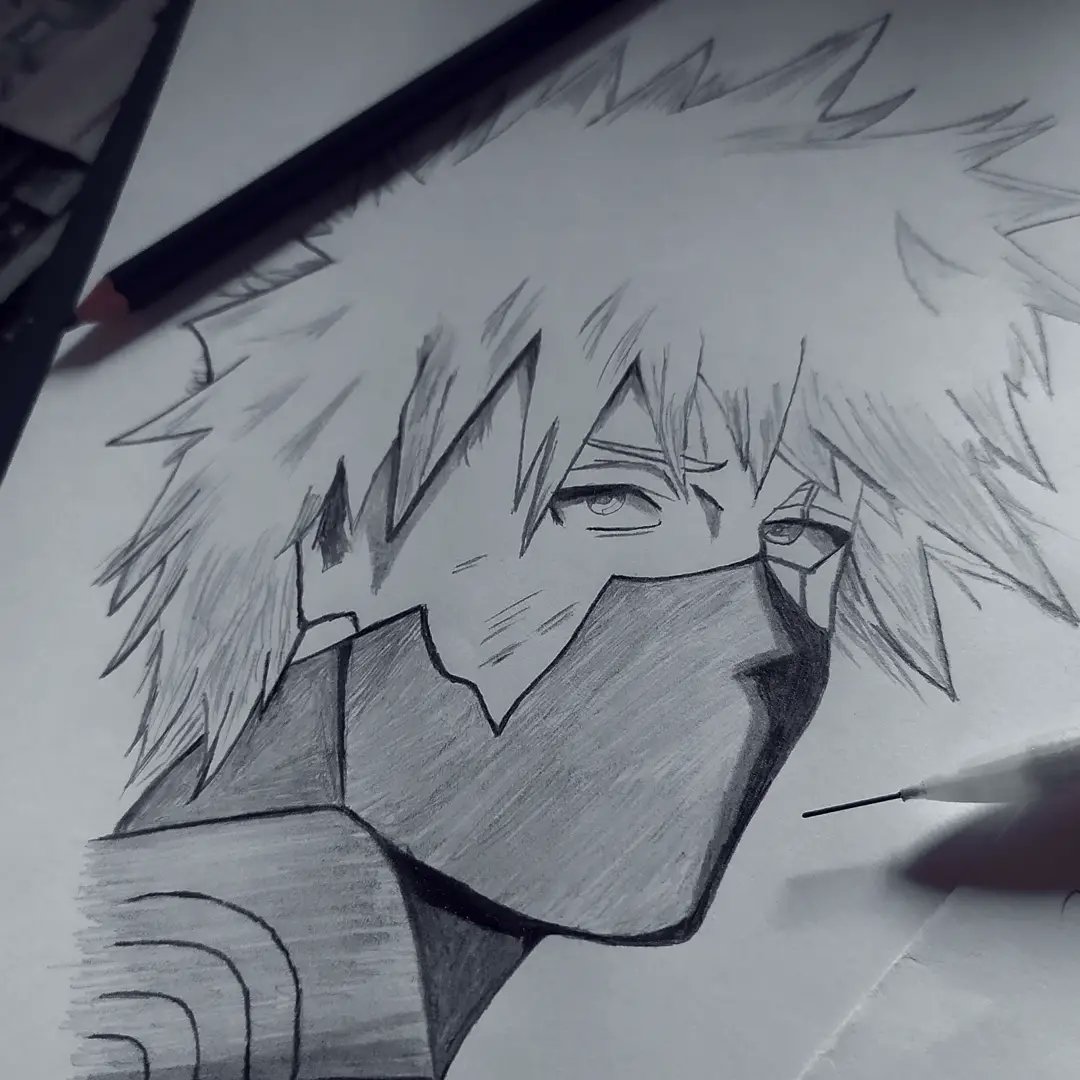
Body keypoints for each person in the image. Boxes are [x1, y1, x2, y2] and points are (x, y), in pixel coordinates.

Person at [69, 16, 1080, 1080]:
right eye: (611, 498)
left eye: (797, 535)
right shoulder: (187, 996)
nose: (764, 632)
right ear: (335, 546)